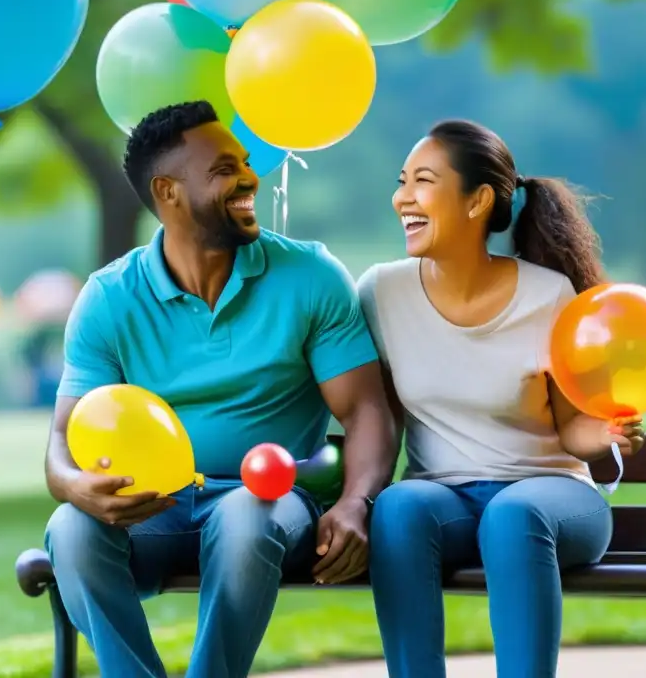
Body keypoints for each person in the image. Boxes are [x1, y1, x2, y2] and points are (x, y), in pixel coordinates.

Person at [43, 101, 397, 678]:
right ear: (169, 192)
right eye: (223, 170)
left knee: (245, 516)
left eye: (244, 163)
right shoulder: (108, 298)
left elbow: (365, 412)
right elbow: (60, 442)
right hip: (149, 511)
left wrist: (357, 501)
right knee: (70, 530)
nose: (248, 179)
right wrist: (77, 488)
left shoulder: (309, 276)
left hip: (270, 504)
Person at [357, 120, 646, 678]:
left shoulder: (549, 294)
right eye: (402, 181)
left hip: (555, 501)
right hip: (448, 502)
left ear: (479, 200)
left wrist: (608, 432)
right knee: (398, 507)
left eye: (423, 180)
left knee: (514, 514)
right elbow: (374, 414)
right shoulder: (381, 291)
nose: (402, 198)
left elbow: (572, 429)